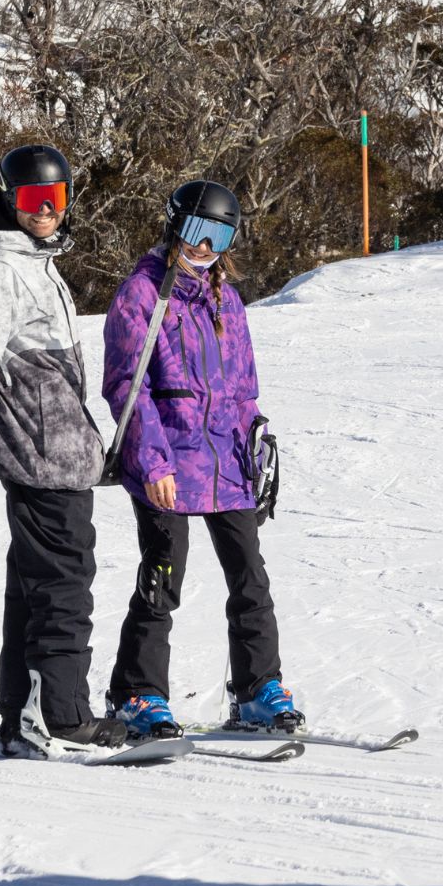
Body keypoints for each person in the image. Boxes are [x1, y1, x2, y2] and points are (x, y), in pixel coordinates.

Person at [101, 180, 302, 739]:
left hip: (226, 466)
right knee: (164, 578)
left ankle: (257, 689)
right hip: (167, 464)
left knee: (250, 580)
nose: (206, 246)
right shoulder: (142, 295)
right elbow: (126, 387)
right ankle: (138, 694)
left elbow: (243, 390)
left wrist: (254, 449)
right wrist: (154, 462)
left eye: (220, 235)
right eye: (197, 231)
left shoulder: (228, 301)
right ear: (173, 225)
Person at [0, 144, 113, 757]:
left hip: (56, 450)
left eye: (55, 199)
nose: (45, 211)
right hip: (42, 457)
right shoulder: (4, 269)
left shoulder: (34, 261)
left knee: (34, 586)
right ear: (11, 201)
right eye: (33, 200)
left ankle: (18, 715)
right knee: (64, 585)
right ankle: (61, 718)